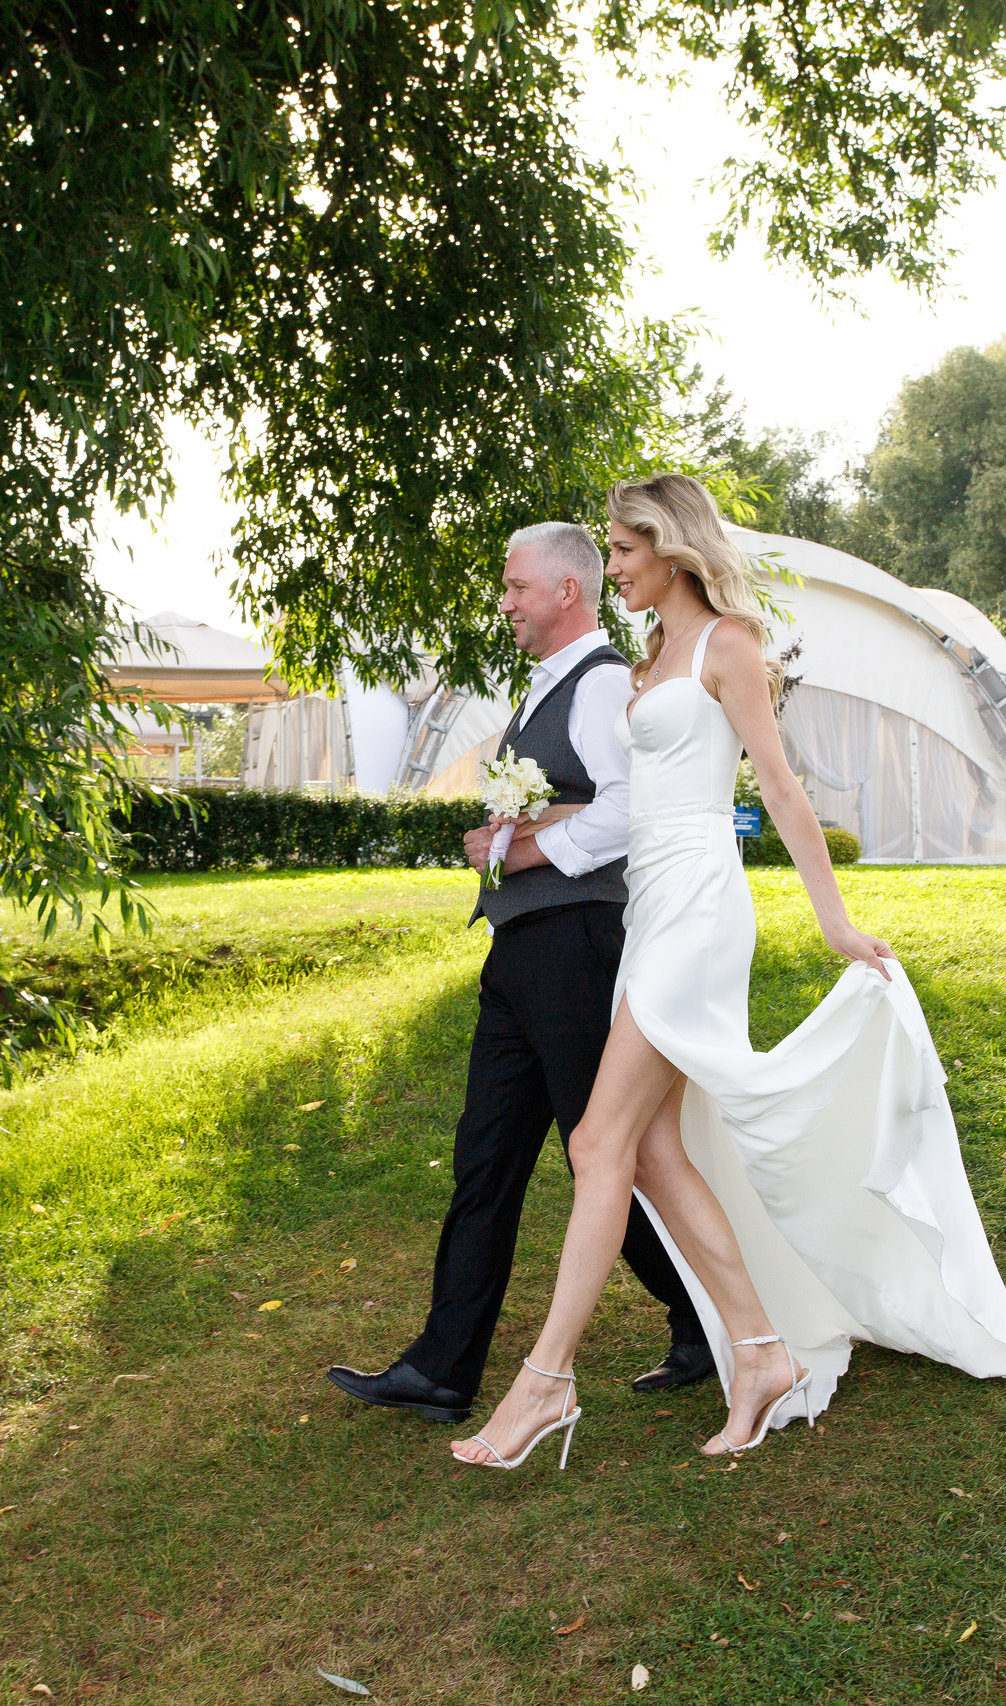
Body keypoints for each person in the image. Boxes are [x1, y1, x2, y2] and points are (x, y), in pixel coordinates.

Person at [450, 474, 1006, 1471]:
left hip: (702, 912)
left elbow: (779, 787)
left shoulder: (728, 645)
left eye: (624, 553)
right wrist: (524, 828)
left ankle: (545, 1382)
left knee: (598, 1143)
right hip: (651, 906)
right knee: (655, 1152)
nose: (616, 571)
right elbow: (635, 803)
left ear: (669, 546)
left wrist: (834, 922)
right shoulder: (646, 658)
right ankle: (760, 1352)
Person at [326, 522, 715, 1427]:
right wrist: (508, 842)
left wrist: (527, 852)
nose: (504, 603)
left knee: (612, 1155)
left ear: (566, 591)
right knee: (486, 1156)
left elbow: (629, 809)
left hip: (577, 949)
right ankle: (442, 1367)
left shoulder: (606, 683)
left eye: (515, 587)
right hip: (523, 954)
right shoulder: (552, 686)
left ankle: (706, 1315)